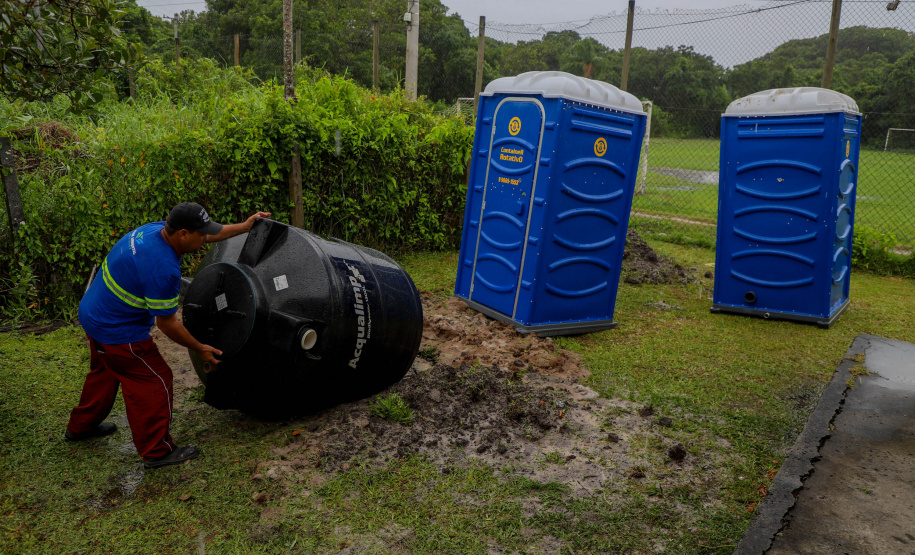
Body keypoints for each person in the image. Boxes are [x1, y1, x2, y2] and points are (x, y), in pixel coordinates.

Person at [65, 202, 271, 469]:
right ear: (183, 234)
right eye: (200, 235)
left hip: (94, 313)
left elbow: (211, 233)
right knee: (154, 380)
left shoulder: (153, 231)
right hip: (117, 331)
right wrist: (200, 347)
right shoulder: (163, 268)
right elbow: (167, 324)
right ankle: (156, 451)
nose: (205, 239)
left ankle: (81, 426)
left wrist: (244, 226)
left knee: (105, 370)